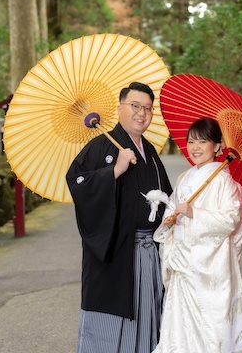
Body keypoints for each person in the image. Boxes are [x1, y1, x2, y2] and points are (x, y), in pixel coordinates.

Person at [66, 82, 173, 353]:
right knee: (111, 323)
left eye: (148, 108)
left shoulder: (148, 151)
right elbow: (77, 181)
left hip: (149, 252)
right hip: (116, 252)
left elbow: (167, 194)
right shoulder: (101, 146)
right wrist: (114, 170)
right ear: (119, 108)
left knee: (148, 313)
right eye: (135, 106)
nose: (142, 113)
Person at [152, 117, 242, 353]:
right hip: (183, 261)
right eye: (191, 141)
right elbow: (173, 207)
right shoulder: (185, 177)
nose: (195, 147)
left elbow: (229, 219)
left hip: (209, 265)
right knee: (180, 324)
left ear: (218, 146)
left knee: (209, 323)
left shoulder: (223, 180)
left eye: (203, 141)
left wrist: (194, 213)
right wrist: (170, 218)